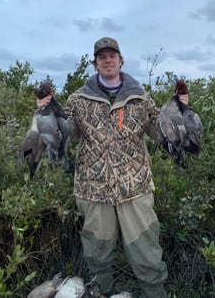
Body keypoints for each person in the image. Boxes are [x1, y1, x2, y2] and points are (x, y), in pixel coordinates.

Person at [37, 37, 189, 298]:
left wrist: (178, 112)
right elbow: (64, 138)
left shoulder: (140, 98)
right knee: (97, 254)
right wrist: (47, 114)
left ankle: (155, 294)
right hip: (92, 190)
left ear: (121, 61)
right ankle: (100, 293)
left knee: (146, 252)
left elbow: (161, 134)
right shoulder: (78, 99)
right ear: (95, 63)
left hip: (135, 188)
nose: (107, 60)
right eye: (102, 57)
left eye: (112, 56)